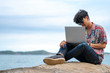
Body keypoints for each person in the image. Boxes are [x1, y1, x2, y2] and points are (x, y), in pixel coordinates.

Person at [43, 10, 107, 65]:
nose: (81, 25)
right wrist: (66, 42)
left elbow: (103, 45)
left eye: (82, 22)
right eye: (79, 24)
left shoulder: (99, 28)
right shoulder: (81, 31)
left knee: (83, 45)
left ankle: (60, 58)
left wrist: (89, 45)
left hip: (96, 58)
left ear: (87, 18)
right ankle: (60, 55)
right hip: (84, 57)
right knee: (67, 43)